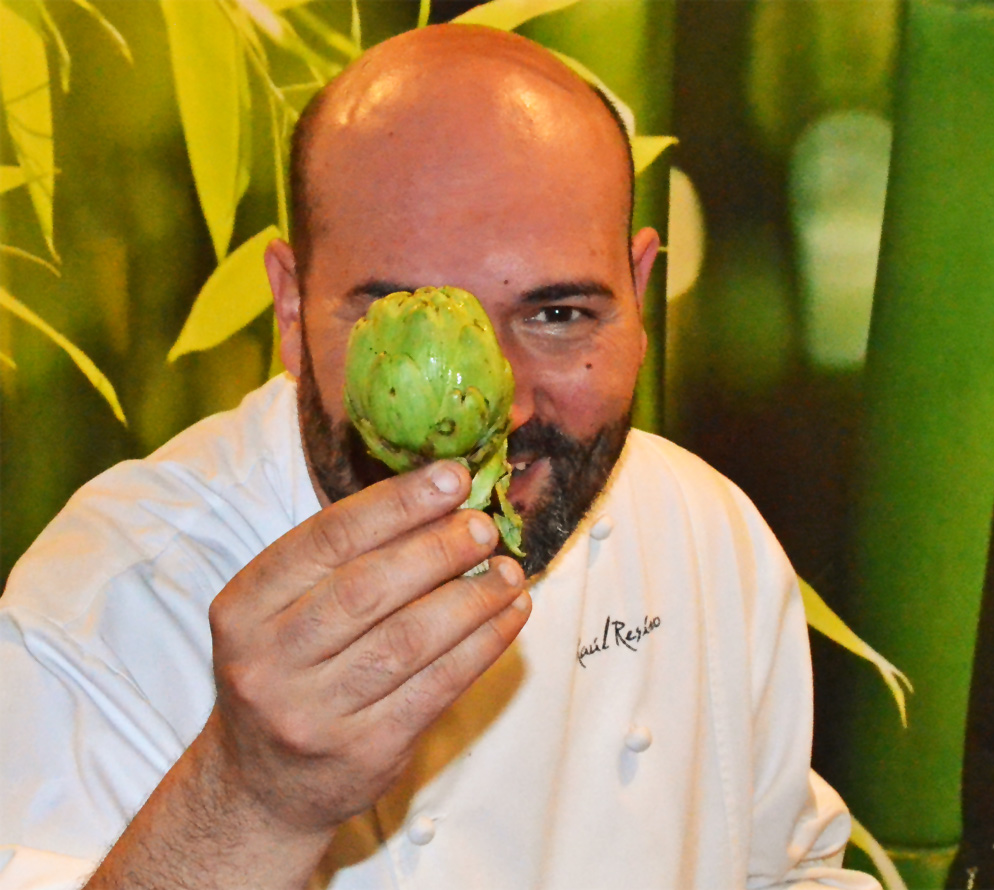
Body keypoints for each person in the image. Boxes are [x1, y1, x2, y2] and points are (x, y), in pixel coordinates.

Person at [0, 24, 878, 890]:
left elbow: (791, 868)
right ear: (293, 312)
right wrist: (253, 798)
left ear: (640, 299)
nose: (497, 408)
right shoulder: (109, 601)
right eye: (403, 319)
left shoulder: (699, 530)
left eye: (560, 314)